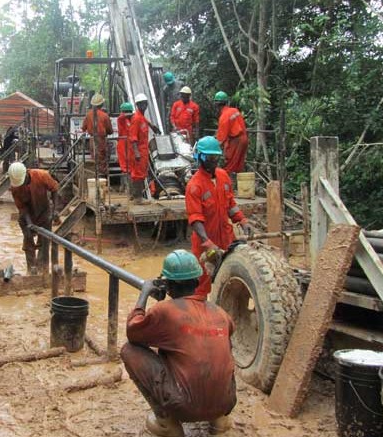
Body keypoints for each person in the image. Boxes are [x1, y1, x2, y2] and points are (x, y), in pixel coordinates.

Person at [121, 249, 237, 437]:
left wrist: (144, 294)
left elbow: (133, 332)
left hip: (183, 405)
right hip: (226, 402)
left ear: (167, 286)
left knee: (129, 350)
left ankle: (167, 423)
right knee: (220, 346)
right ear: (198, 282)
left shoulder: (165, 311)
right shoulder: (221, 314)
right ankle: (219, 421)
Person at [185, 136, 251, 297]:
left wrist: (242, 220)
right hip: (205, 243)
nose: (213, 161)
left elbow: (230, 204)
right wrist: (207, 242)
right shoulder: (194, 186)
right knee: (201, 284)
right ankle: (202, 317)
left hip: (227, 238)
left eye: (216, 157)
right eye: (209, 157)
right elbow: (195, 219)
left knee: (232, 280)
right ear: (200, 157)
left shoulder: (223, 177)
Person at [8, 162, 59, 273]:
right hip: (27, 216)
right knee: (28, 240)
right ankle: (31, 270)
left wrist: (55, 210)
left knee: (44, 242)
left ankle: (43, 270)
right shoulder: (15, 188)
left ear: (26, 174)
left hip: (44, 213)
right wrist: (29, 223)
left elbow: (54, 189)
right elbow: (22, 207)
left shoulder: (41, 175)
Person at [128, 93, 161, 205]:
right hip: (139, 151)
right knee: (138, 173)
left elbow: (144, 121)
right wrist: (137, 152)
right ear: (137, 105)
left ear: (147, 104)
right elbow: (133, 137)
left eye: (144, 103)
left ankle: (135, 195)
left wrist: (152, 126)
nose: (143, 106)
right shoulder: (136, 119)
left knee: (141, 172)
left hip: (143, 149)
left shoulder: (141, 117)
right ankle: (138, 198)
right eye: (140, 104)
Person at [213, 91, 249, 176]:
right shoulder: (235, 110)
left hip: (236, 141)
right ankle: (239, 184)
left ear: (217, 105)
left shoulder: (224, 117)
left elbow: (220, 140)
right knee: (239, 164)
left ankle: (227, 184)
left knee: (230, 165)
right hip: (244, 139)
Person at [81, 93, 113, 177]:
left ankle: (96, 179)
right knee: (103, 161)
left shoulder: (88, 115)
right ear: (102, 104)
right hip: (101, 141)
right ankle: (102, 181)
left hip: (92, 141)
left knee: (95, 160)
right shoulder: (105, 116)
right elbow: (110, 131)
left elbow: (83, 128)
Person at [116, 102, 134, 194]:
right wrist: (130, 114)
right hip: (123, 144)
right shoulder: (121, 119)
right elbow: (122, 117)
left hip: (130, 144)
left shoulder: (132, 120)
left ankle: (125, 187)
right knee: (125, 167)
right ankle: (126, 188)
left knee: (130, 167)